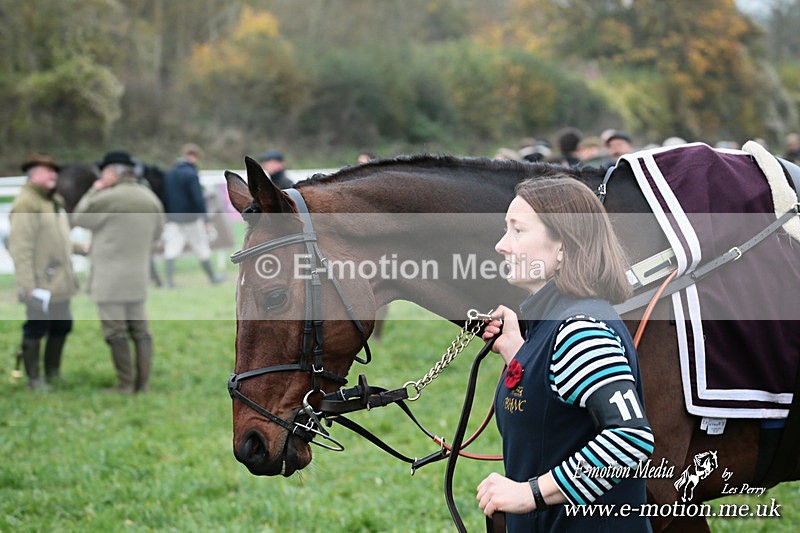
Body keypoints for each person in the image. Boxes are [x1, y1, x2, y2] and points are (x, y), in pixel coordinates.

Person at [476, 177, 654, 531]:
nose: (501, 245)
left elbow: (630, 438)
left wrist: (531, 494)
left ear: (563, 246)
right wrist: (518, 354)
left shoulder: (580, 327)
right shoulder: (555, 319)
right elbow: (558, 411)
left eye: (518, 231)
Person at [72, 150, 165, 393]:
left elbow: (80, 218)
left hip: (109, 279)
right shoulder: (150, 198)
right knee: (141, 332)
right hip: (138, 277)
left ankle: (125, 384)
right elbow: (158, 233)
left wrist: (95, 189)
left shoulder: (109, 197)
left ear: (112, 172)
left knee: (116, 333)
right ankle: (142, 385)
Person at [8, 153, 80, 390]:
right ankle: (34, 379)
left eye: (54, 171)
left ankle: (53, 372)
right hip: (40, 283)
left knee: (62, 325)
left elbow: (59, 237)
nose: (53, 175)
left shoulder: (53, 200)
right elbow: (21, 247)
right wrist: (28, 285)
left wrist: (82, 248)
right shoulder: (26, 203)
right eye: (47, 171)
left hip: (60, 281)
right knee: (37, 328)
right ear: (33, 174)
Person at [161, 143, 225, 287]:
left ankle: (169, 281)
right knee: (201, 246)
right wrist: (205, 219)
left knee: (171, 248)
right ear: (194, 156)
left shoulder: (170, 173)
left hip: (173, 217)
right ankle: (212, 277)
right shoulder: (191, 174)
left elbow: (164, 196)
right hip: (191, 218)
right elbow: (198, 199)